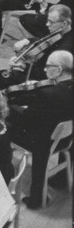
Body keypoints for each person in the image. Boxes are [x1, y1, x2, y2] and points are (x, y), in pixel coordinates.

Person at [7, 50, 73, 209]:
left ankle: (36, 198)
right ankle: (62, 179)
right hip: (67, 139)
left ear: (59, 69)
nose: (45, 69)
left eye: (48, 66)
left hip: (44, 144)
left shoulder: (47, 94)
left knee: (5, 124)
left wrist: (11, 106)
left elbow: (26, 118)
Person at [0, 4, 73, 90]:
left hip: (45, 81)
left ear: (64, 24)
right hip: (42, 68)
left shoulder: (64, 50)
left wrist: (21, 66)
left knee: (2, 77)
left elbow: (46, 75)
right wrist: (28, 40)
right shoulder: (63, 32)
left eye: (51, 22)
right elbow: (47, 39)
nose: (47, 24)